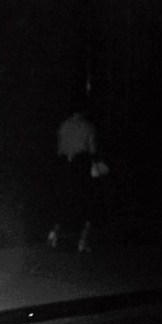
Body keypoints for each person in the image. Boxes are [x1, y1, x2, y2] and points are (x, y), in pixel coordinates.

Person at [47, 98, 104, 253]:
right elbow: (93, 150)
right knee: (87, 201)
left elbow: (59, 148)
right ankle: (83, 240)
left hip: (64, 164)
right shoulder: (88, 126)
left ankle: (54, 232)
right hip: (81, 164)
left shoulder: (64, 125)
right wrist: (99, 167)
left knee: (65, 199)